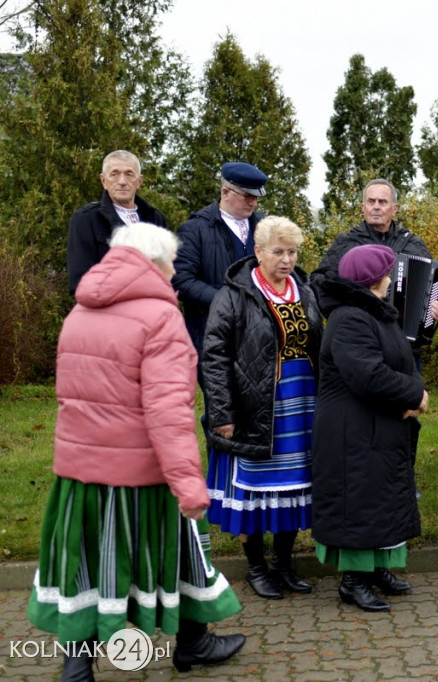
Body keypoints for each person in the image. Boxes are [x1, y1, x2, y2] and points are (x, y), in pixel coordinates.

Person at [28, 224, 244, 679]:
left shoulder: (80, 313)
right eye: (170, 262)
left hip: (80, 475)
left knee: (84, 567)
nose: (173, 272)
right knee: (183, 549)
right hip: (141, 478)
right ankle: (193, 642)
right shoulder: (160, 319)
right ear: (155, 263)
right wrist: (188, 483)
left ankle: (76, 668)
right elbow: (169, 410)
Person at [202, 216, 323, 599]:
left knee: (296, 484)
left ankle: (284, 565)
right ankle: (256, 567)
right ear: (257, 252)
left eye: (292, 252)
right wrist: (222, 414)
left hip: (302, 402)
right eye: (278, 252)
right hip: (255, 405)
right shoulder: (234, 294)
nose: (287, 260)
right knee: (255, 489)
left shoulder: (303, 290)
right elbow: (214, 357)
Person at [312, 244, 427, 613]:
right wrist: (414, 394)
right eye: (387, 271)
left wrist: (412, 393)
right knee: (359, 501)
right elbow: (368, 376)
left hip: (380, 423)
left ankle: (379, 568)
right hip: (353, 429)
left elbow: (402, 359)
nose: (392, 277)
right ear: (371, 279)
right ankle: (353, 581)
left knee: (383, 497)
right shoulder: (349, 318)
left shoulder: (377, 313)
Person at [310, 178, 438, 326]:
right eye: (371, 201)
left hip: (405, 339)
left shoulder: (414, 244)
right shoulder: (346, 243)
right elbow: (319, 284)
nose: (376, 207)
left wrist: (437, 306)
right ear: (363, 207)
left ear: (394, 209)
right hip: (359, 332)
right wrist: (349, 305)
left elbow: (434, 289)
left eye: (382, 202)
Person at [173, 162, 267, 354]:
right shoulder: (193, 230)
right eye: (248, 196)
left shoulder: (267, 228)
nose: (254, 203)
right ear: (225, 192)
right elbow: (181, 281)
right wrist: (225, 301)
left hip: (260, 337)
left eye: (256, 197)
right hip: (213, 338)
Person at [67, 150, 168, 295]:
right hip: (106, 313)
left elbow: (165, 276)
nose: (122, 181)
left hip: (150, 312)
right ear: (103, 181)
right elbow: (80, 283)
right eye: (114, 174)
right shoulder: (85, 219)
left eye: (129, 174)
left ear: (139, 181)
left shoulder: (155, 219)